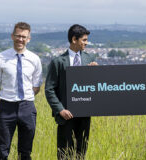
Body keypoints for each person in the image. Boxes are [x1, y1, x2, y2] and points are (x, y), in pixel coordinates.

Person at [0, 22, 43, 160]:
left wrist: (26, 97)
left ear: (29, 39)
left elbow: (36, 85)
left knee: (25, 152)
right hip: (6, 106)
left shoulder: (35, 59)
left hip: (27, 107)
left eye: (24, 37)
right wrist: (3, 100)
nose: (21, 39)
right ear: (12, 36)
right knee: (2, 150)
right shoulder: (0, 58)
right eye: (18, 36)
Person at [45, 24, 98, 159]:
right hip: (66, 116)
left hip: (84, 116)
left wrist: (97, 73)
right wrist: (60, 110)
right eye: (84, 40)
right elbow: (49, 89)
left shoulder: (89, 59)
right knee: (64, 154)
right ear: (74, 39)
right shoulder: (58, 62)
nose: (87, 43)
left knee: (81, 154)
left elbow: (95, 86)